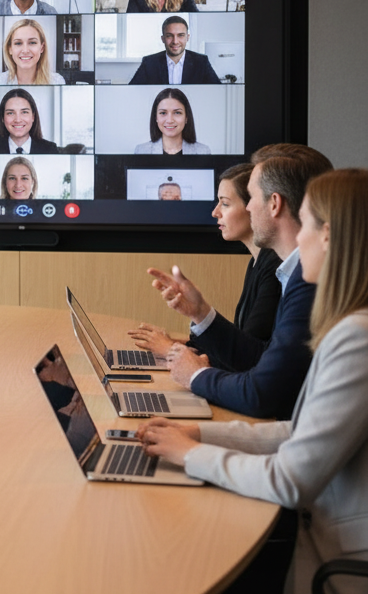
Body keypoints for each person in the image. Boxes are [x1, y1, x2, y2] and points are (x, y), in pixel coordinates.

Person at [131, 168, 368, 594]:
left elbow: (290, 479)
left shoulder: (357, 338)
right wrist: (197, 435)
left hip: (338, 573)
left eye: (305, 225)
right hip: (326, 540)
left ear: (330, 236)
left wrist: (190, 456)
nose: (296, 240)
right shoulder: (351, 324)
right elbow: (295, 432)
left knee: (191, 565)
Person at [142, 149, 333, 419]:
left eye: (252, 197)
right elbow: (266, 358)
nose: (250, 206)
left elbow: (263, 391)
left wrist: (196, 374)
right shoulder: (290, 271)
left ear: (274, 203)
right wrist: (200, 313)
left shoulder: (308, 279)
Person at [130, 163, 282, 355]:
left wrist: (171, 350)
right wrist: (181, 346)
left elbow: (248, 356)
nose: (215, 212)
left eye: (225, 203)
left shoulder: (275, 266)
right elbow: (242, 343)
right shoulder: (257, 262)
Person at [129, 15, 221, 85]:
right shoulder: (149, 63)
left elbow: (216, 91)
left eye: (180, 35)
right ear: (163, 38)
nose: (175, 41)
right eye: (169, 36)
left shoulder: (201, 62)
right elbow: (133, 91)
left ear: (187, 37)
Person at [0, 88, 60, 155]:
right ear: (2, 118)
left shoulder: (50, 149)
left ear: (33, 117)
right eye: (10, 113)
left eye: (24, 112)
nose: (18, 120)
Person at [0, 18, 65, 86]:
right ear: (10, 49)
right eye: (18, 43)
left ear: (42, 48)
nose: (25, 50)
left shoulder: (57, 81)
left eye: (32, 43)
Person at [134, 88, 210, 155]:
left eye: (177, 113)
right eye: (163, 113)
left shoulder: (203, 151)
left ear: (186, 117)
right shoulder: (141, 151)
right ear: (156, 118)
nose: (170, 120)